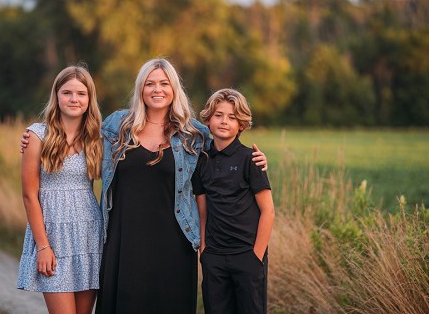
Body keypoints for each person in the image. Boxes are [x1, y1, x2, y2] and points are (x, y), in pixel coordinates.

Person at [20, 58, 268, 313]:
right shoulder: (117, 126)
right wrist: (37, 135)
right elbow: (77, 132)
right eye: (150, 83)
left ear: (174, 89)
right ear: (141, 89)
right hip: (122, 239)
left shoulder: (193, 134)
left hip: (174, 242)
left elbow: (225, 151)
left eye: (164, 83)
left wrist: (255, 159)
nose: (157, 89)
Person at [16, 64, 104, 314]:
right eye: (67, 93)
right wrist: (43, 246)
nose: (74, 99)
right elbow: (29, 195)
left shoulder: (97, 138)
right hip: (53, 237)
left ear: (89, 99)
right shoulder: (37, 136)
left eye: (81, 93)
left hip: (89, 235)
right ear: (56, 96)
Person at [192, 88, 275, 314]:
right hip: (214, 257)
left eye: (232, 117)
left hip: (247, 255)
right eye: (218, 115)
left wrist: (256, 256)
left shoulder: (251, 159)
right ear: (208, 120)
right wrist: (205, 251)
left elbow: (268, 211)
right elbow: (202, 210)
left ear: (241, 125)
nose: (224, 121)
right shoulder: (202, 161)